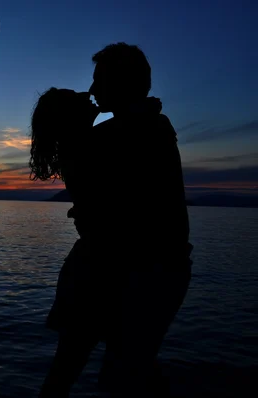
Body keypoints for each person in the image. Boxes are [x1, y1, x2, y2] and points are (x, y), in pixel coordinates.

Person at [29, 43, 193, 397]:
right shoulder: (128, 132)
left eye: (98, 80)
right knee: (116, 372)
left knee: (97, 370)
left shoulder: (137, 132)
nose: (90, 90)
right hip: (129, 270)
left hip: (139, 272)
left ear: (122, 82)